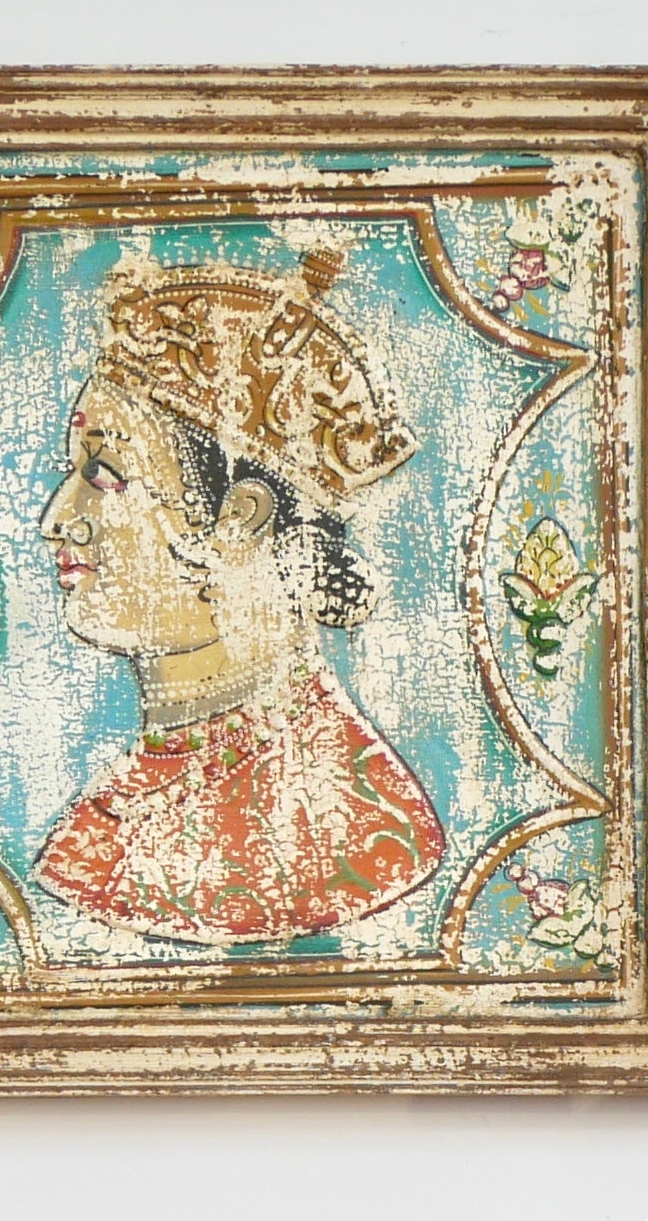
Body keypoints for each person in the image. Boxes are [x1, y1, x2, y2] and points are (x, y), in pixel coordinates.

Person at [31, 250, 447, 945]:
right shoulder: (125, 796)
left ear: (239, 520)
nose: (56, 519)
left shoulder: (347, 825)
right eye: (71, 473)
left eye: (104, 474)